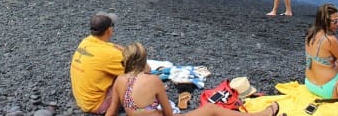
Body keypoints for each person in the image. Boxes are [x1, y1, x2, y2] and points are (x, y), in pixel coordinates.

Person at [107, 42, 281, 116]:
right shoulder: (153, 81)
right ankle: (263, 114)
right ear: (143, 61)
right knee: (212, 109)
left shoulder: (120, 81)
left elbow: (111, 112)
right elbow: (169, 114)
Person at [305, 4, 338, 111]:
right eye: (335, 21)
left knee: (335, 62)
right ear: (325, 21)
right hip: (328, 89)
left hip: (310, 84)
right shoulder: (330, 40)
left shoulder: (310, 34)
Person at [71, 12, 124, 114]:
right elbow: (143, 69)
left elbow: (107, 49)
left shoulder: (85, 42)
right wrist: (126, 51)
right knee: (132, 77)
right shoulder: (110, 53)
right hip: (96, 105)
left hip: (82, 100)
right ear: (109, 30)